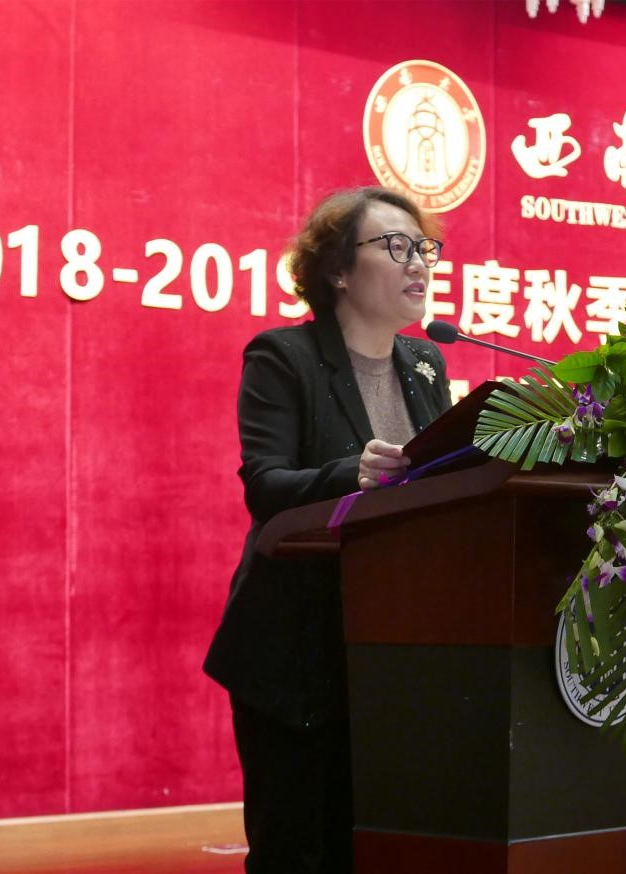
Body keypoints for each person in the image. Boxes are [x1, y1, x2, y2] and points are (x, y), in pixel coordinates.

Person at [203, 186, 452, 874]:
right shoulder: (283, 356)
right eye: (395, 247)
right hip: (296, 648)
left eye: (424, 248)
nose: (418, 263)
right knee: (296, 853)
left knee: (371, 849)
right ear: (338, 270)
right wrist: (350, 473)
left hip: (390, 647)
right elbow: (265, 486)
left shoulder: (426, 364)